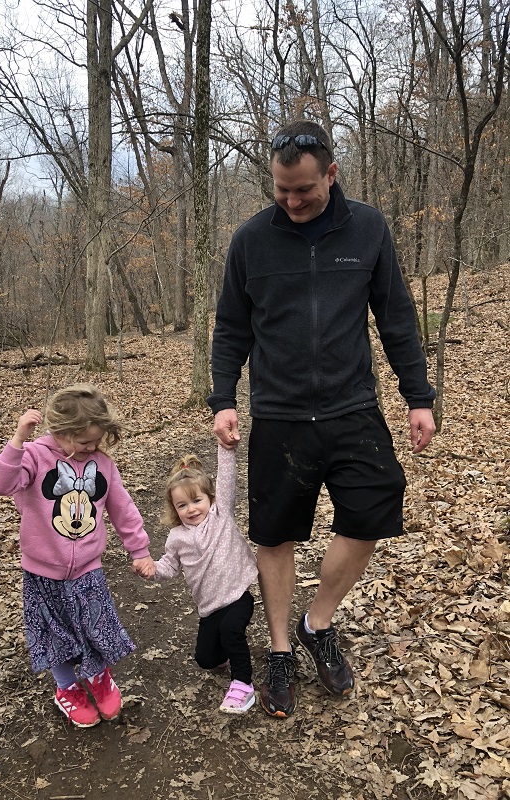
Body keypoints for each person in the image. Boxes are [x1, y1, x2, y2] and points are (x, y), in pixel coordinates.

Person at [208, 119, 436, 719]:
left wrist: (419, 396)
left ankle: (317, 622)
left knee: (374, 507)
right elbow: (231, 328)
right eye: (281, 189)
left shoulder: (368, 229)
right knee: (275, 533)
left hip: (352, 406)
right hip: (280, 414)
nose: (291, 200)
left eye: (303, 189)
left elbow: (396, 319)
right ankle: (282, 648)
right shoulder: (251, 241)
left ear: (330, 174)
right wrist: (223, 398)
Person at [0, 383, 154, 728]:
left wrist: (138, 549)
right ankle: (66, 688)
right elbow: (2, 484)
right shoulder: (34, 456)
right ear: (61, 433)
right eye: (84, 442)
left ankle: (98, 676)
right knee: (55, 633)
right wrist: (18, 438)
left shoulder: (102, 465)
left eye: (96, 440)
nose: (91, 447)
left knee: (96, 626)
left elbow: (122, 509)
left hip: (87, 570)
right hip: (43, 571)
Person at [144, 444, 258, 714]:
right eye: (182, 505)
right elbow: (170, 568)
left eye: (197, 501)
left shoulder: (221, 515)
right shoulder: (176, 538)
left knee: (232, 630)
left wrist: (225, 447)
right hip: (209, 608)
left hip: (238, 595)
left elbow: (228, 477)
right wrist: (151, 569)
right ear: (174, 508)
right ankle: (226, 655)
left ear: (210, 498)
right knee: (206, 659)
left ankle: (243, 685)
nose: (191, 509)